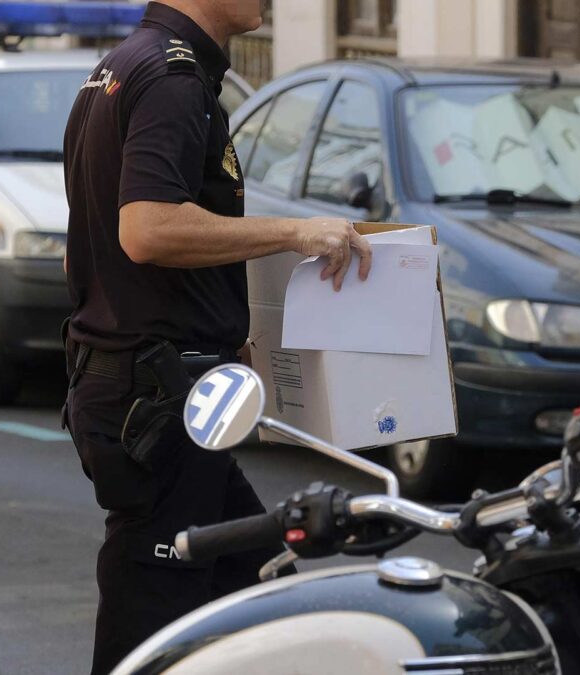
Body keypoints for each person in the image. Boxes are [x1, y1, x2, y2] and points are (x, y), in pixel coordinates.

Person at [62, 1, 373, 671]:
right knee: (152, 617)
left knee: (257, 594)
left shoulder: (119, 68)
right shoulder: (173, 79)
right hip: (158, 400)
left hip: (151, 387)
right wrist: (294, 232)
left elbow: (83, 250)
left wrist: (219, 324)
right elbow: (145, 229)